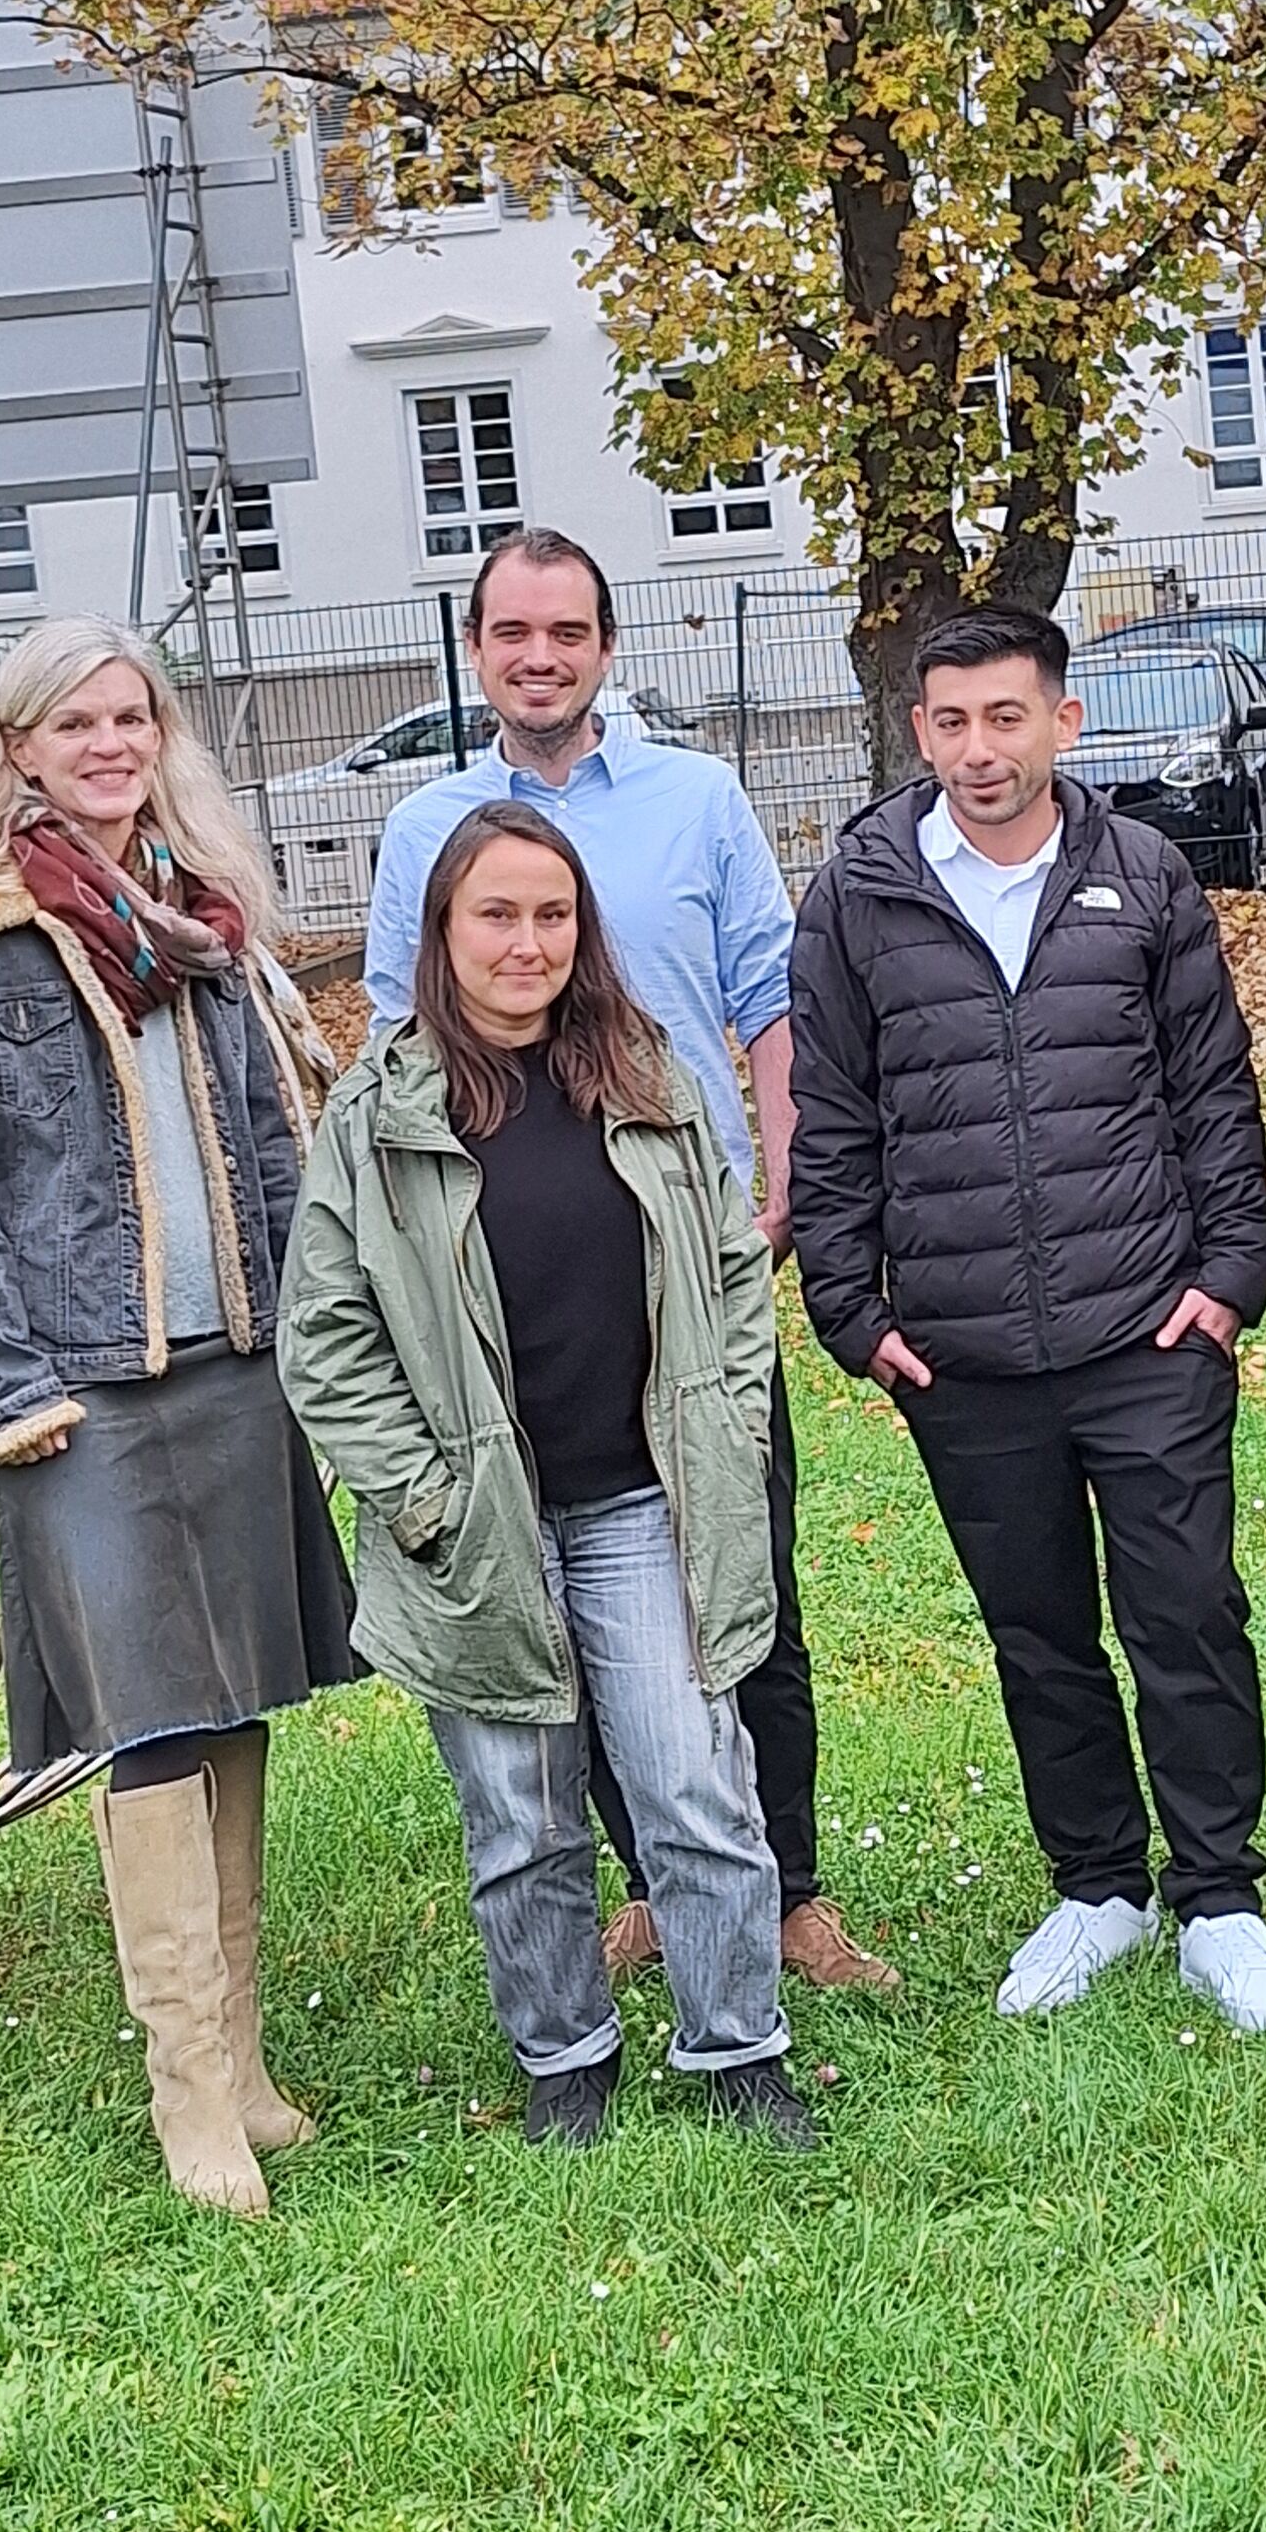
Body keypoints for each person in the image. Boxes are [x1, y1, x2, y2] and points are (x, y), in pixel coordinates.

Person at [363, 526, 891, 1994]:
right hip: (516, 1284)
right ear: (476, 649)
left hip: (686, 1265)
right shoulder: (424, 831)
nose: (540, 658)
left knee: (741, 1580)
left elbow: (771, 1003)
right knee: (564, 1593)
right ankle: (659, 1887)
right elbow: (395, 1045)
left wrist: (782, 1183)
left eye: (567, 633)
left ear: (606, 646)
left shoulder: (696, 800)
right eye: (512, 633)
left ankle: (788, 1893)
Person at [0, 620, 354, 2219]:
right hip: (79, 1392)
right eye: (73, 723)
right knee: (151, 1708)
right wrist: (7, 1384)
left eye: (131, 717)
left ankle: (243, 2061)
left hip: (236, 1364)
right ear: (17, 746)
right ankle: (187, 2094)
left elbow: (274, 1144)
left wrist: (310, 1331)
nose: (108, 745)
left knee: (235, 1698)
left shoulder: (200, 920)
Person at [787, 607, 1266, 2032]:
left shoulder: (1141, 873)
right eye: (950, 721)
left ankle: (1220, 1900)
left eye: (1006, 717)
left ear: (1062, 723)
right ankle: (1099, 1887)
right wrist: (850, 1306)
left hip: (1148, 1331)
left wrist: (1229, 1275)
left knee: (1187, 1613)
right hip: (963, 1353)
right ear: (918, 730)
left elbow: (1211, 1089)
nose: (978, 749)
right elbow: (833, 1110)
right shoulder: (859, 895)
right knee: (1039, 1632)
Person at [282, 806, 818, 2148]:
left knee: (694, 1791)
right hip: (477, 1521)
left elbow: (730, 1272)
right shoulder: (380, 1114)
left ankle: (737, 2048)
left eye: (551, 915)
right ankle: (566, 2055)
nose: (526, 943)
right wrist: (424, 1494)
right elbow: (326, 1335)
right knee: (520, 1818)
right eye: (496, 915)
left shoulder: (645, 1074)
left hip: (646, 1503)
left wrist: (727, 1422)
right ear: (442, 933)